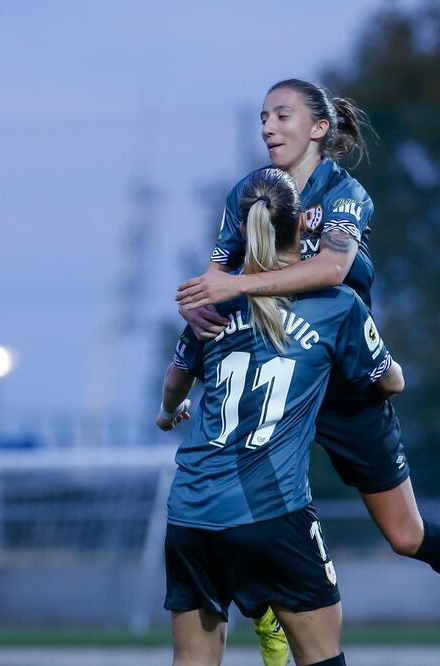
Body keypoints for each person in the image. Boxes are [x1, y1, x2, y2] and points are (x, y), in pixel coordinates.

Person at [176, 78, 440, 666]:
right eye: (263, 117)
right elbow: (212, 280)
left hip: (342, 377)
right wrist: (197, 313)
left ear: (318, 129)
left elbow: (334, 269)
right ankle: (267, 613)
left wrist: (236, 284)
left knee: (404, 535)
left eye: (282, 116)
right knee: (245, 509)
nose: (267, 127)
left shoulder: (345, 193)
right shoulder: (249, 192)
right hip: (274, 372)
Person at [157, 167, 405, 666]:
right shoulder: (336, 306)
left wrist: (169, 414)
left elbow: (175, 381)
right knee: (320, 656)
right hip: (273, 512)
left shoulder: (215, 305)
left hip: (191, 513)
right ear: (302, 226)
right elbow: (390, 381)